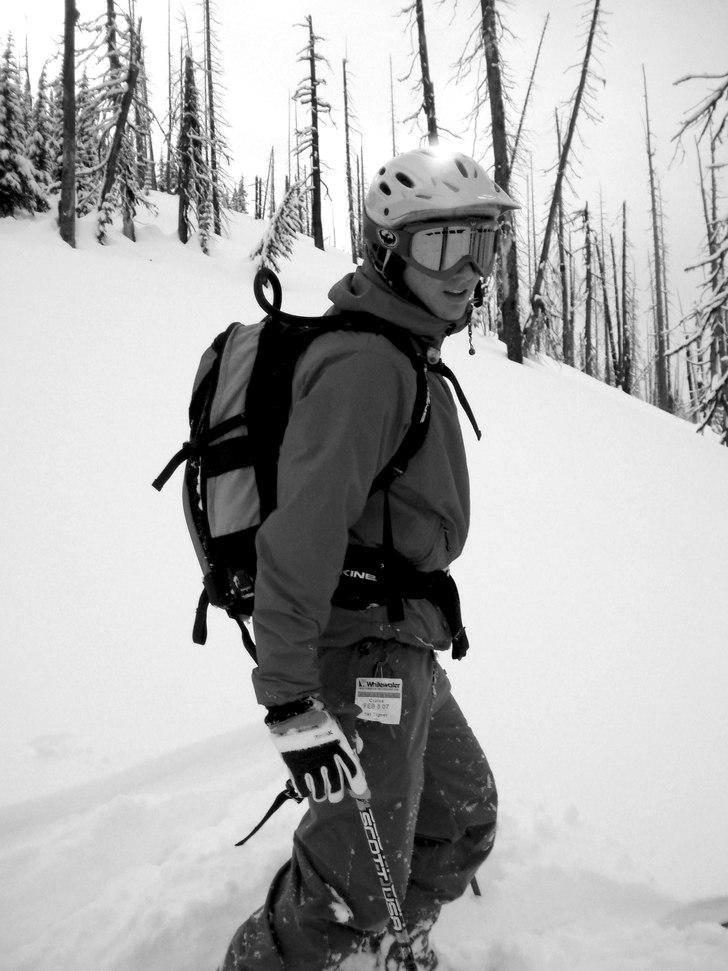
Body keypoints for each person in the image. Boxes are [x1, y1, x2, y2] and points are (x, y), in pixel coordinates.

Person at [219, 148, 518, 970]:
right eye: (439, 245)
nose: (466, 270)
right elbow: (300, 534)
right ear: (389, 248)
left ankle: (391, 942)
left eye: (482, 244)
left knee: (459, 816)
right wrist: (289, 701)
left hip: (404, 643)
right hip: (361, 659)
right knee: (347, 888)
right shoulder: (367, 366)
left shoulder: (404, 348)